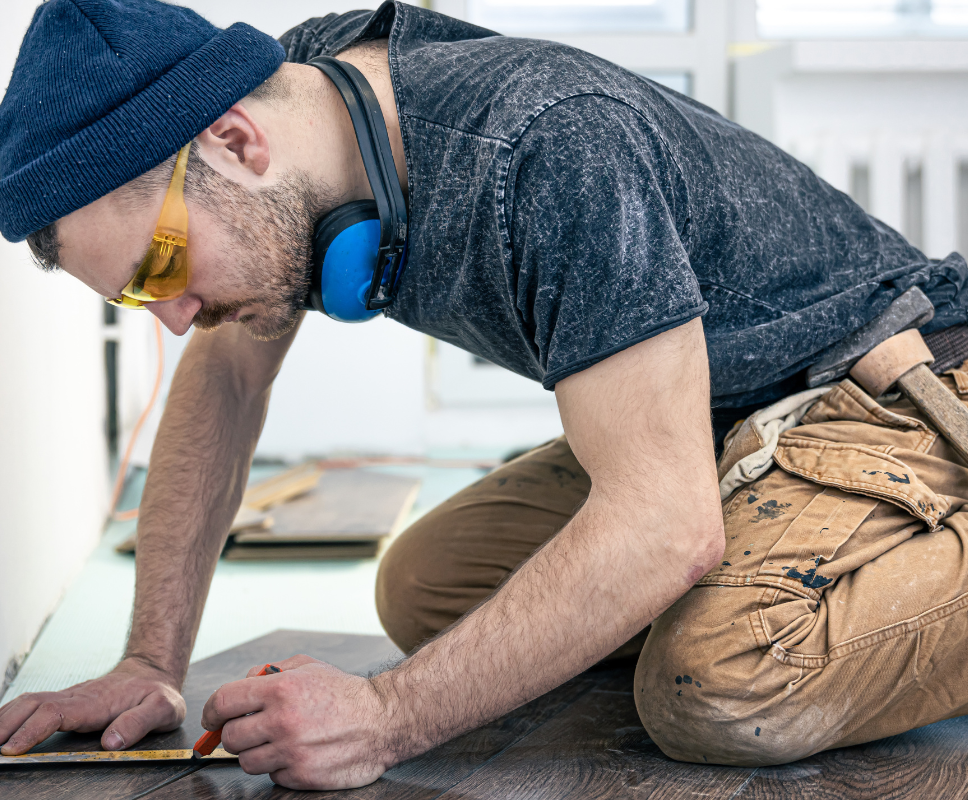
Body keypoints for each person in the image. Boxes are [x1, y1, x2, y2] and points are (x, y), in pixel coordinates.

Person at [1, 0, 967, 789]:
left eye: (161, 266)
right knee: (429, 588)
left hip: (898, 386)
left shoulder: (549, 147)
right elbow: (224, 382)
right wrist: (149, 664)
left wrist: (385, 717)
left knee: (718, 685)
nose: (173, 320)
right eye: (137, 295)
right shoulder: (303, 95)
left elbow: (669, 526)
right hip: (734, 410)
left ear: (236, 143)